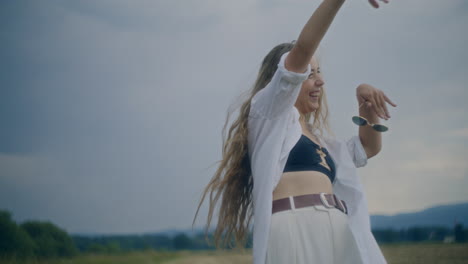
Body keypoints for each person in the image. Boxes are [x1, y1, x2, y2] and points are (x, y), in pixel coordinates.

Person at [193, 0, 396, 263]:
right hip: (294, 226)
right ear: (285, 81)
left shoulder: (321, 142)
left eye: (319, 73)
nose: (320, 81)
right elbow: (302, 49)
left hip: (337, 228)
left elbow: (367, 148)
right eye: (309, 74)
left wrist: (367, 106)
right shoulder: (269, 114)